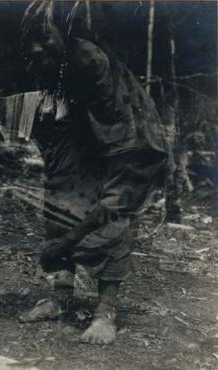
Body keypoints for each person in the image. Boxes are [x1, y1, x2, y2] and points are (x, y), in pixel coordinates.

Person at [18, 11, 174, 345]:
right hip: (83, 133)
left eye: (45, 37)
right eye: (32, 41)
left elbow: (121, 149)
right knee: (62, 196)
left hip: (125, 141)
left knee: (114, 209)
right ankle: (61, 298)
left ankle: (106, 311)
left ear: (67, 31)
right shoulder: (51, 62)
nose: (37, 47)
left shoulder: (91, 60)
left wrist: (67, 241)